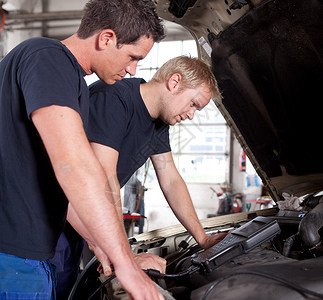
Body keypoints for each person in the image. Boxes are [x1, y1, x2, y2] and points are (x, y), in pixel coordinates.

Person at [0, 0, 166, 299]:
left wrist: (101, 244)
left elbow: (63, 186)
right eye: (132, 57)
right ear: (106, 38)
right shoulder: (48, 58)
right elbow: (74, 166)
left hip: (30, 257)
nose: (132, 70)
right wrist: (127, 265)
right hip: (11, 259)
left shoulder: (70, 81)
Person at [52, 55, 228, 297]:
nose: (191, 115)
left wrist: (203, 238)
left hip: (78, 225)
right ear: (175, 82)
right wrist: (125, 257)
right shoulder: (113, 99)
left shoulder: (158, 122)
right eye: (193, 104)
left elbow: (171, 179)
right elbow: (105, 179)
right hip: (51, 219)